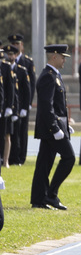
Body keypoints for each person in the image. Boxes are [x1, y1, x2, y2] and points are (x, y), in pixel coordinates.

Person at [30, 44, 75, 211]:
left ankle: (38, 199)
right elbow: (46, 106)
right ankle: (51, 194)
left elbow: (58, 106)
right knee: (69, 157)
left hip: (54, 126)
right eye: (62, 57)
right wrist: (55, 128)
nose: (64, 60)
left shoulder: (54, 75)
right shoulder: (48, 76)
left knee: (44, 163)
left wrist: (65, 123)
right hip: (51, 128)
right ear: (54, 56)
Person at [9, 34, 32, 165]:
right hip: (11, 103)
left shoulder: (27, 62)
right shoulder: (6, 63)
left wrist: (27, 104)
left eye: (17, 44)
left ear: (21, 46)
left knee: (22, 131)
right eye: (13, 44)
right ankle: (12, 156)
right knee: (12, 131)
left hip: (22, 102)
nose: (15, 46)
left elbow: (30, 84)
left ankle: (21, 157)